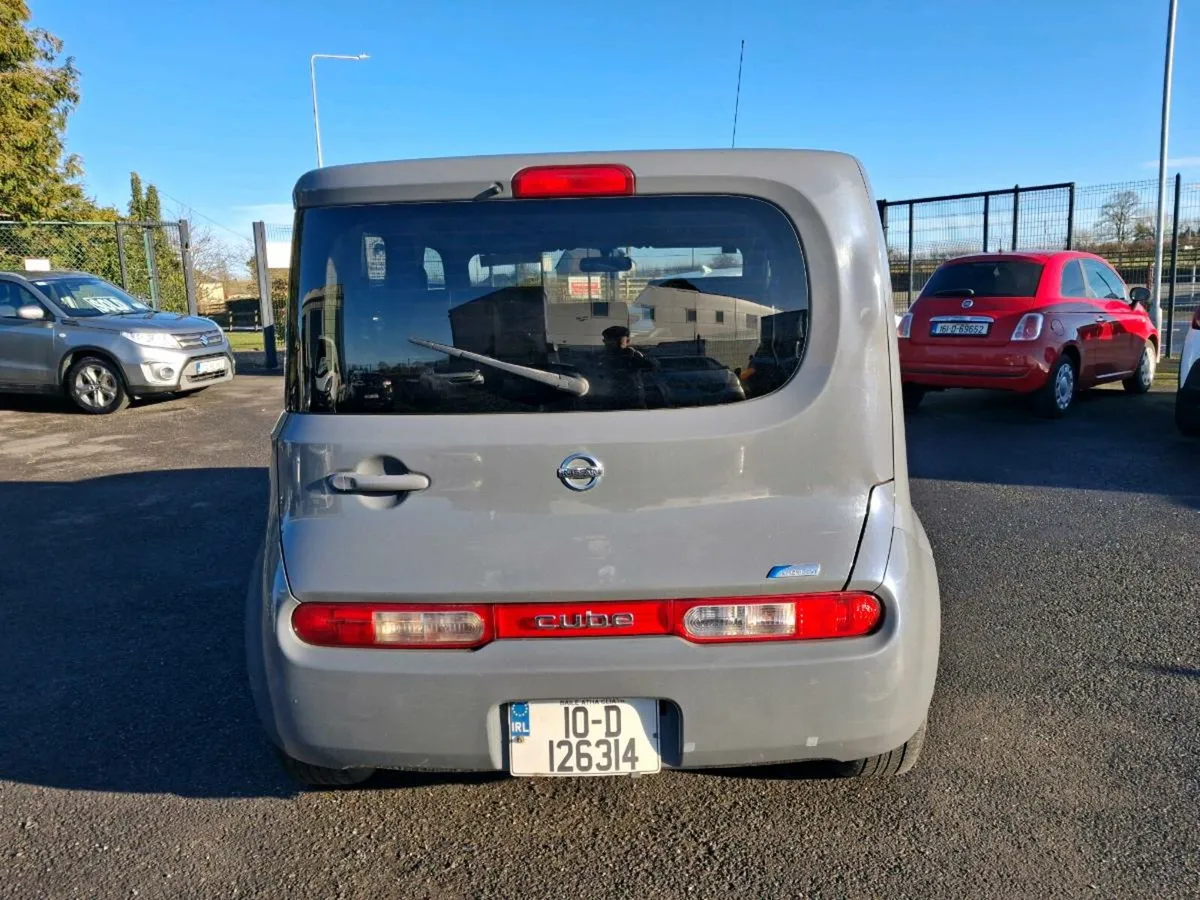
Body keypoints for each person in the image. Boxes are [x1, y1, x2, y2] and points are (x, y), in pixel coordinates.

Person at [599, 325, 659, 407]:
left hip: (633, 398)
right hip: (609, 397)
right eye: (608, 340)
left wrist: (634, 355)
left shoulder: (633, 354)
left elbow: (653, 365)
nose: (610, 343)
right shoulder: (602, 356)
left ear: (627, 341)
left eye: (616, 340)